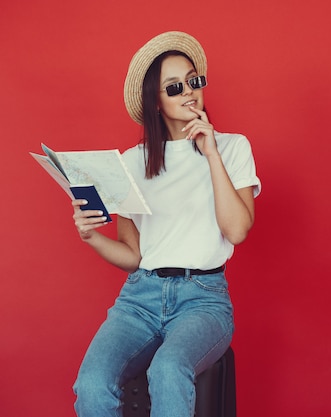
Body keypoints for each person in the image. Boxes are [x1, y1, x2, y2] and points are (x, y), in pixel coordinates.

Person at [71, 31, 261, 417]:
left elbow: (237, 230)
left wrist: (210, 154)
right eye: (174, 87)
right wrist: (91, 237)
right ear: (154, 103)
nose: (189, 92)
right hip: (138, 300)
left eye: (194, 81)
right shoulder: (132, 163)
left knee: (169, 368)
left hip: (203, 299)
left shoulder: (232, 147)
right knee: (91, 381)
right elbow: (133, 255)